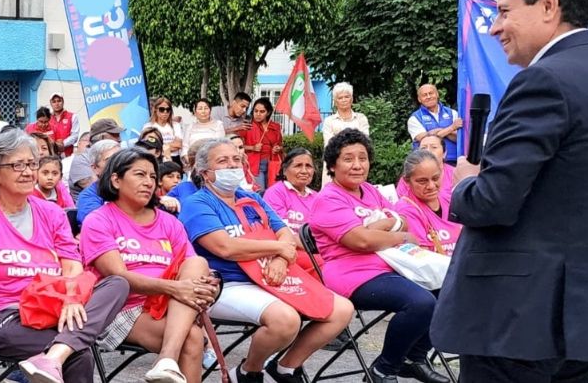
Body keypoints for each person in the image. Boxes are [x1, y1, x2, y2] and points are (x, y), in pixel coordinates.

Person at [431, 0, 588, 382]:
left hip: (517, 322)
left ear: (549, 5)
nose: (495, 27)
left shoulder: (544, 81)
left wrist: (464, 185)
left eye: (504, 11)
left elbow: (492, 202)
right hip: (585, 319)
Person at [0, 130, 129, 382]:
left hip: (52, 305)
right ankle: (57, 354)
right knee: (79, 353)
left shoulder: (51, 213)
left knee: (118, 283)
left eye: (31, 164)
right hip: (4, 316)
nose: (27, 172)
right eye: (17, 165)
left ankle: (53, 357)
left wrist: (71, 297)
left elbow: (71, 267)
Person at [179, 138, 354, 383]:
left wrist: (280, 260)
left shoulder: (252, 198)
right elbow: (226, 247)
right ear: (204, 172)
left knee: (342, 309)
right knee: (286, 320)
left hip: (270, 275)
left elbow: (286, 234)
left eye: (235, 159)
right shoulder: (196, 204)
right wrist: (278, 248)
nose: (232, 165)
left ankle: (286, 366)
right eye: (223, 161)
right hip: (227, 284)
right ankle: (250, 370)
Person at [309, 129, 448, 383]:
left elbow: (403, 222)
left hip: (390, 266)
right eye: (348, 159)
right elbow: (361, 241)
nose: (357, 165)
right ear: (332, 165)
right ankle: (383, 369)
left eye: (363, 158)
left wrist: (382, 229)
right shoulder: (327, 199)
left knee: (450, 289)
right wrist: (393, 232)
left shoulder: (370, 191)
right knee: (421, 302)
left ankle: (413, 357)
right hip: (353, 274)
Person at [81, 149, 217, 383]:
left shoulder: (167, 222)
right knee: (193, 337)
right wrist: (175, 289)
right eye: (140, 175)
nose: (148, 182)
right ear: (116, 180)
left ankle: (166, 359)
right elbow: (118, 277)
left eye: (153, 177)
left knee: (198, 262)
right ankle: (168, 358)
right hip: (121, 307)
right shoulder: (99, 220)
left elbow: (190, 269)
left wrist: (207, 285)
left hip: (171, 304)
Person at [393, 150, 461, 256]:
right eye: (422, 181)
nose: (431, 186)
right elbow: (423, 257)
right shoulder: (406, 210)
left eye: (435, 178)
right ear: (407, 181)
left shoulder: (450, 199)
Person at [263, 148, 318, 238]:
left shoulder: (317, 197)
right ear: (285, 170)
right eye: (298, 166)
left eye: (308, 166)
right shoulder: (275, 193)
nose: (304, 171)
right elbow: (281, 232)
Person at [407, 85, 461, 165]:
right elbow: (425, 139)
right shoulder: (414, 118)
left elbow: (459, 138)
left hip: (454, 161)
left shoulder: (453, 113)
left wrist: (437, 132)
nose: (428, 97)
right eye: (424, 95)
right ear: (419, 99)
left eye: (431, 93)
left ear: (437, 94)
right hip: (427, 163)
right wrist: (452, 128)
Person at [75, 139, 122, 226]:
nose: (117, 164)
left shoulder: (133, 190)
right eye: (109, 160)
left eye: (120, 158)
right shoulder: (88, 196)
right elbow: (96, 225)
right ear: (95, 168)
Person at [242, 97, 283, 191]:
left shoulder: (275, 127)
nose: (258, 114)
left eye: (262, 111)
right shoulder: (248, 126)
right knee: (260, 191)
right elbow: (236, 146)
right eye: (255, 111)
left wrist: (277, 148)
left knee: (272, 190)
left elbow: (280, 145)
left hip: (272, 163)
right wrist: (252, 147)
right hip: (255, 164)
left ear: (268, 113)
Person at [397, 135, 454, 199]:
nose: (428, 151)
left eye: (434, 147)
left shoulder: (455, 174)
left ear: (444, 153)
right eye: (423, 148)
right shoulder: (409, 177)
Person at [322, 83, 369, 151]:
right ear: (335, 102)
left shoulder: (361, 118)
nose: (344, 100)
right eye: (340, 98)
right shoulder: (329, 121)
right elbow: (329, 145)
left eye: (347, 97)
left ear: (352, 99)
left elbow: (364, 142)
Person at [144, 97, 183, 163]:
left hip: (174, 158)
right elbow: (149, 146)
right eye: (162, 109)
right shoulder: (148, 126)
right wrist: (168, 147)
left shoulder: (176, 125)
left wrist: (159, 147)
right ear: (155, 110)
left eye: (168, 109)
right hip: (156, 159)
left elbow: (178, 144)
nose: (165, 112)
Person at [48, 92, 80, 157]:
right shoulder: (48, 118)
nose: (57, 104)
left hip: (67, 155)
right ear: (51, 104)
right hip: (51, 155)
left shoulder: (72, 116)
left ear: (63, 102)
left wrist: (62, 144)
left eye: (59, 101)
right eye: (54, 102)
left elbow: (75, 136)